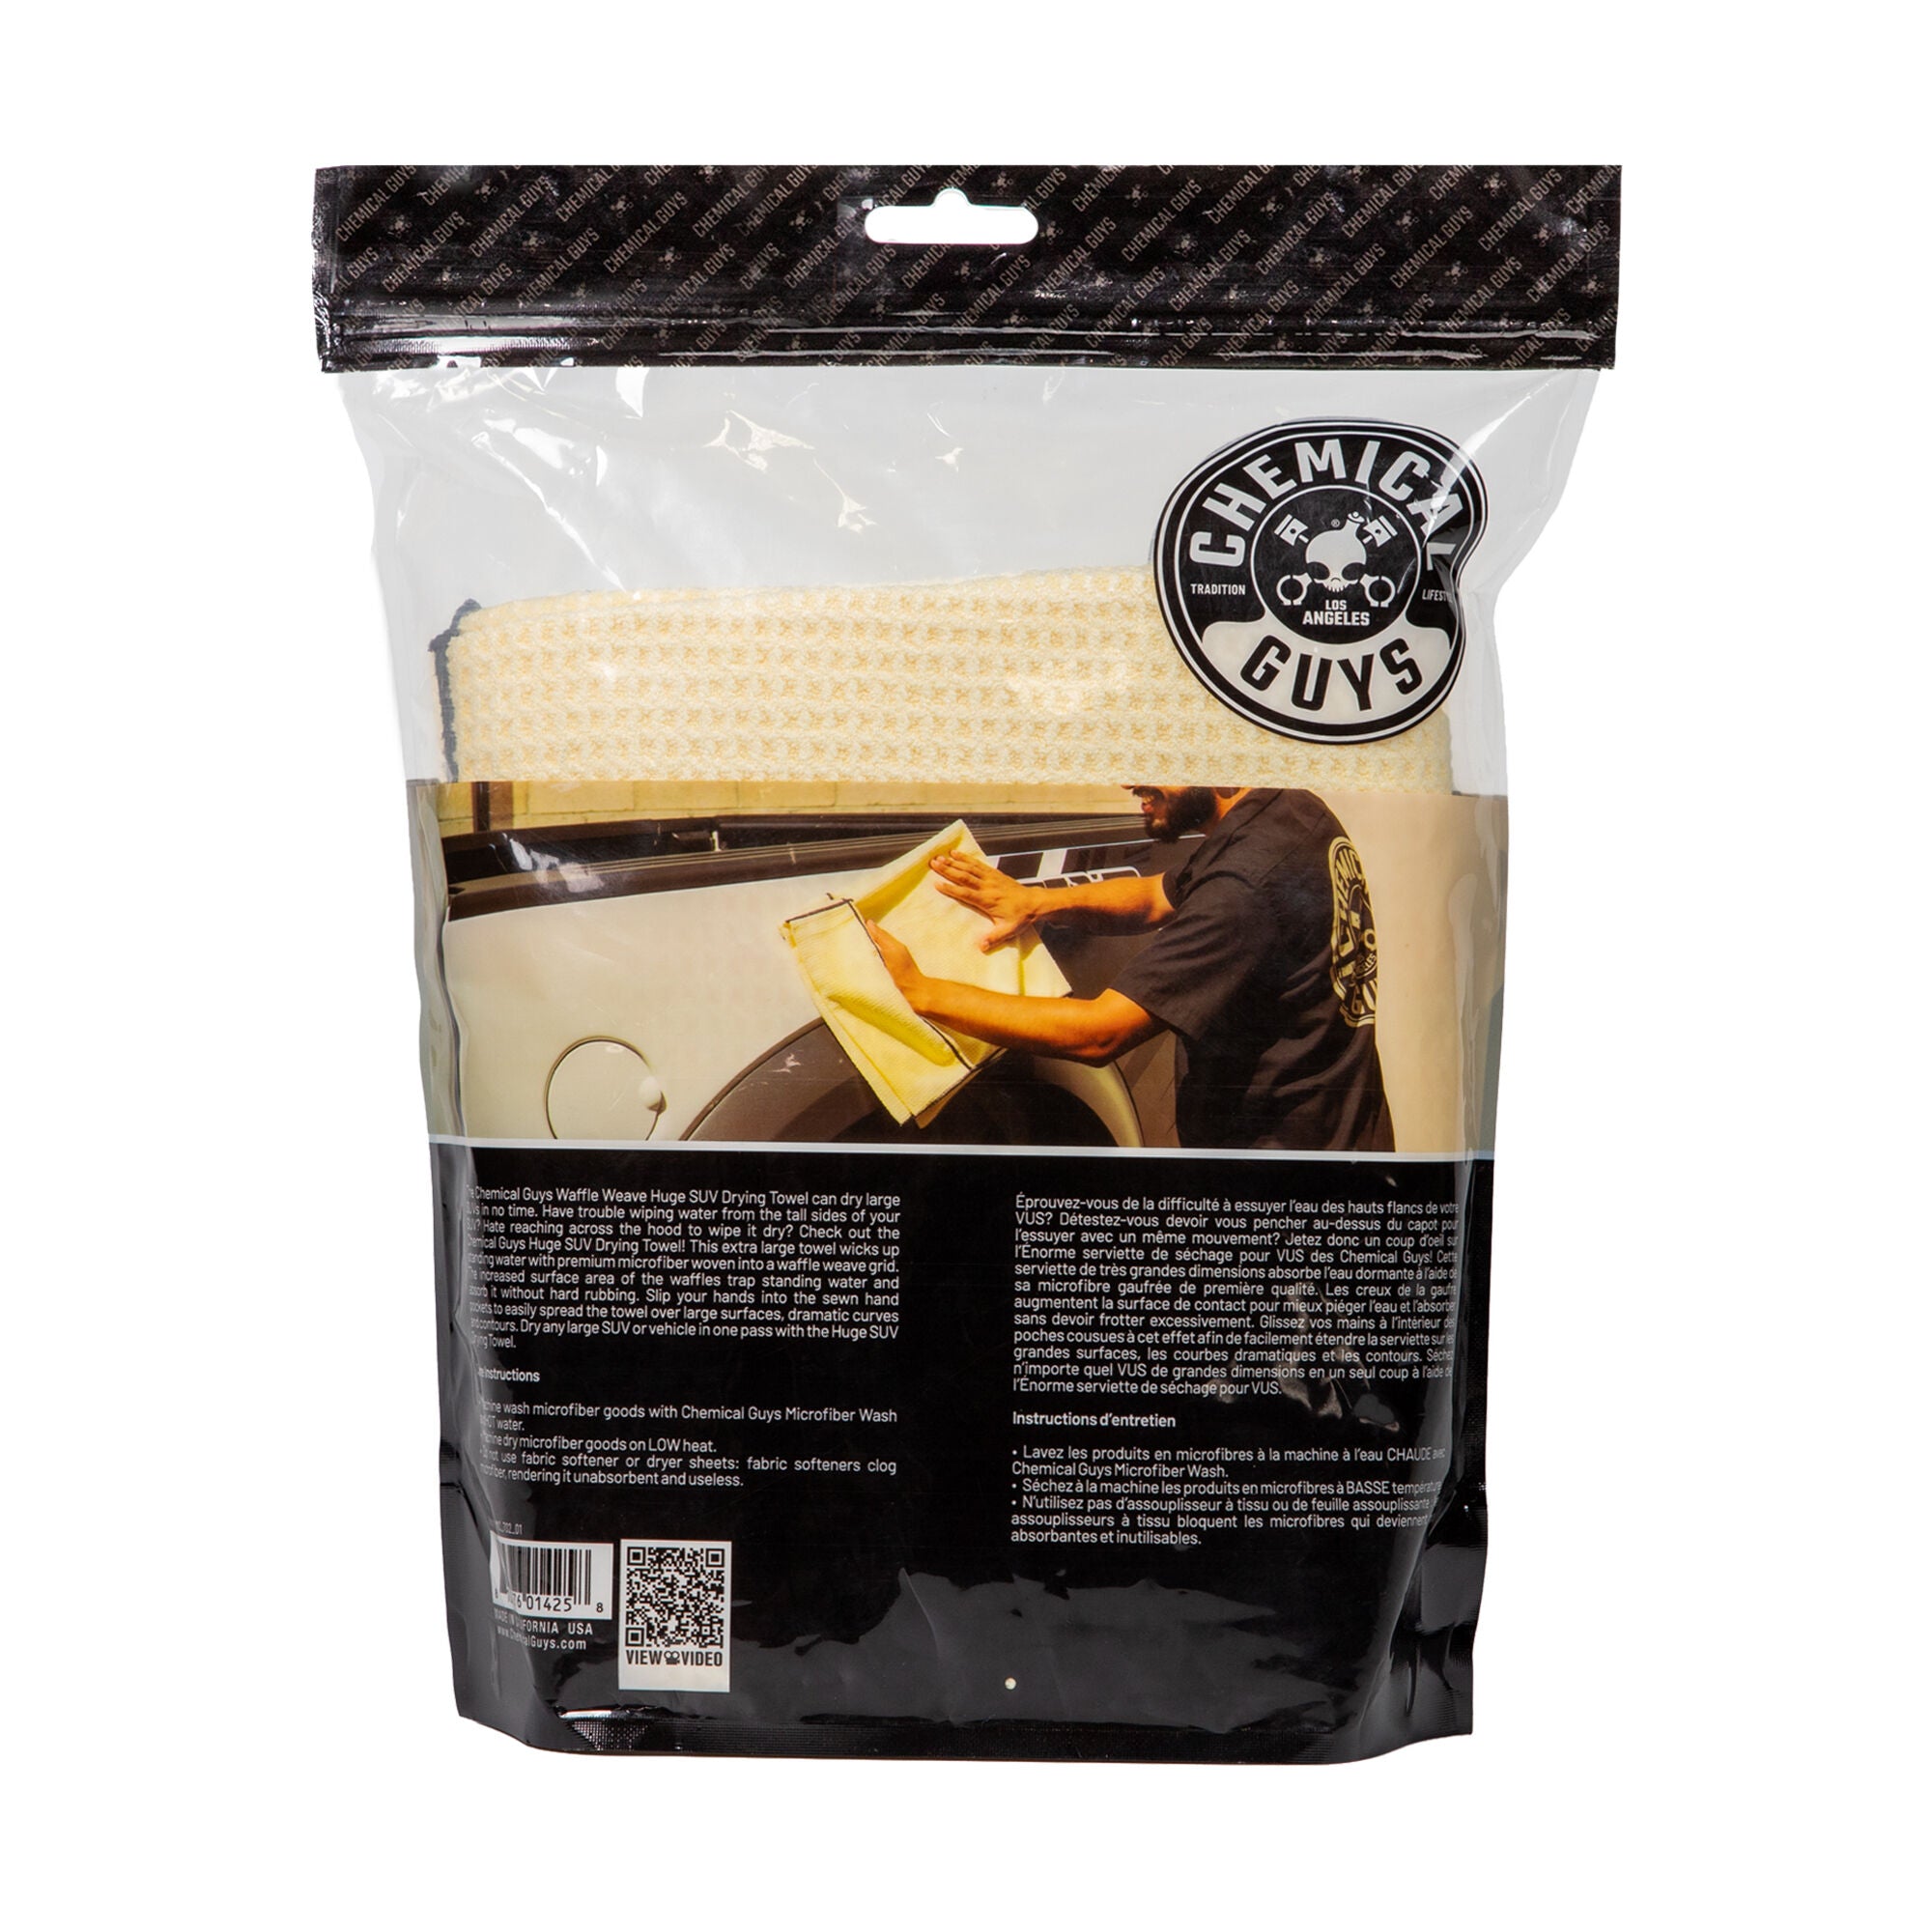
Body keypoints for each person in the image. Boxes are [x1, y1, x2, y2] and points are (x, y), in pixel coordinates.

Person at [867, 786, 1394, 1151]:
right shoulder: (1293, 811)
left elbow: (1100, 1034)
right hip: (1342, 1133)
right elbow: (1157, 895)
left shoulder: (1242, 890)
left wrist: (920, 992)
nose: (1128, 780)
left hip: (1280, 1177)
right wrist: (1037, 903)